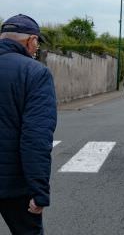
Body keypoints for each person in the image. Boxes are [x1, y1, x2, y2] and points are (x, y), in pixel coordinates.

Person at [0, 14, 57, 234]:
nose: (36, 48)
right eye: (37, 43)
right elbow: (36, 137)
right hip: (14, 185)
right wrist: (39, 190)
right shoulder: (35, 72)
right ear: (30, 40)